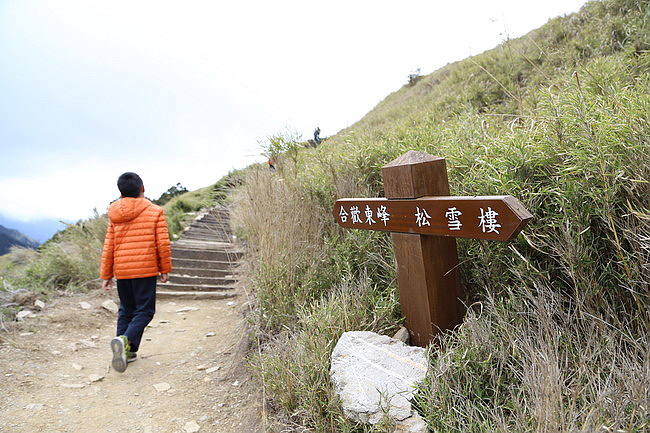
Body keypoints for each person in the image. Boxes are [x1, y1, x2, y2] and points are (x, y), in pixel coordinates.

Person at [100, 172, 172, 373]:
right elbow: (163, 244)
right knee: (145, 311)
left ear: (121, 192)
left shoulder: (114, 213)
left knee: (126, 310)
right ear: (142, 188)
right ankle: (125, 341)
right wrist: (164, 269)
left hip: (122, 270)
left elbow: (109, 246)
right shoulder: (155, 211)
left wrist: (106, 275)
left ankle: (127, 352)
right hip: (145, 268)